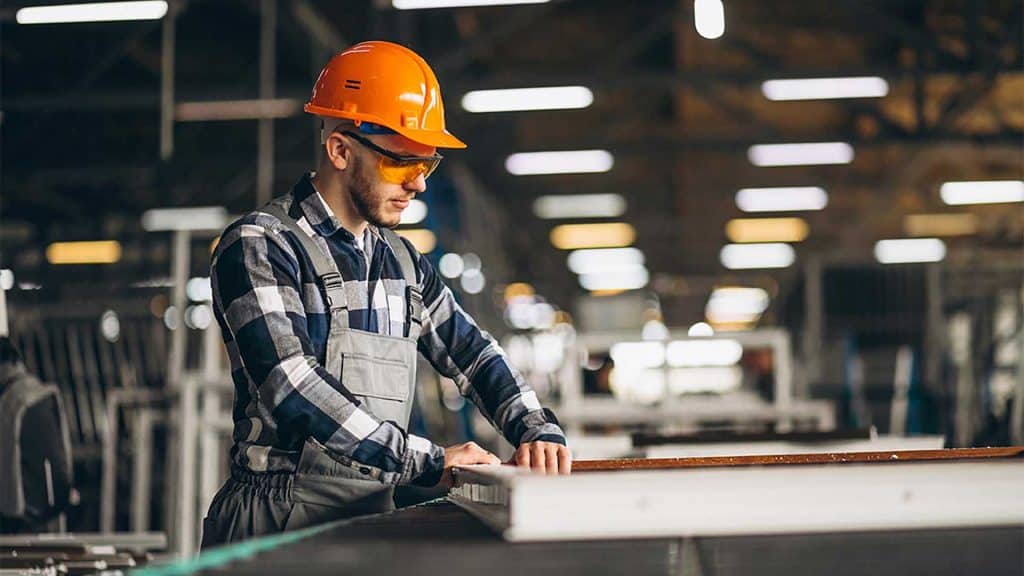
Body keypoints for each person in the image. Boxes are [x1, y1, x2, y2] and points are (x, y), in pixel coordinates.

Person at [201, 40, 571, 548]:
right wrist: (425, 461)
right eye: (402, 164)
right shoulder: (261, 245)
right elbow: (291, 384)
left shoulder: (402, 263)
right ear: (340, 150)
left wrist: (535, 428)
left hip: (369, 515)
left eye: (427, 164)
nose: (418, 184)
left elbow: (472, 351)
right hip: (274, 521)